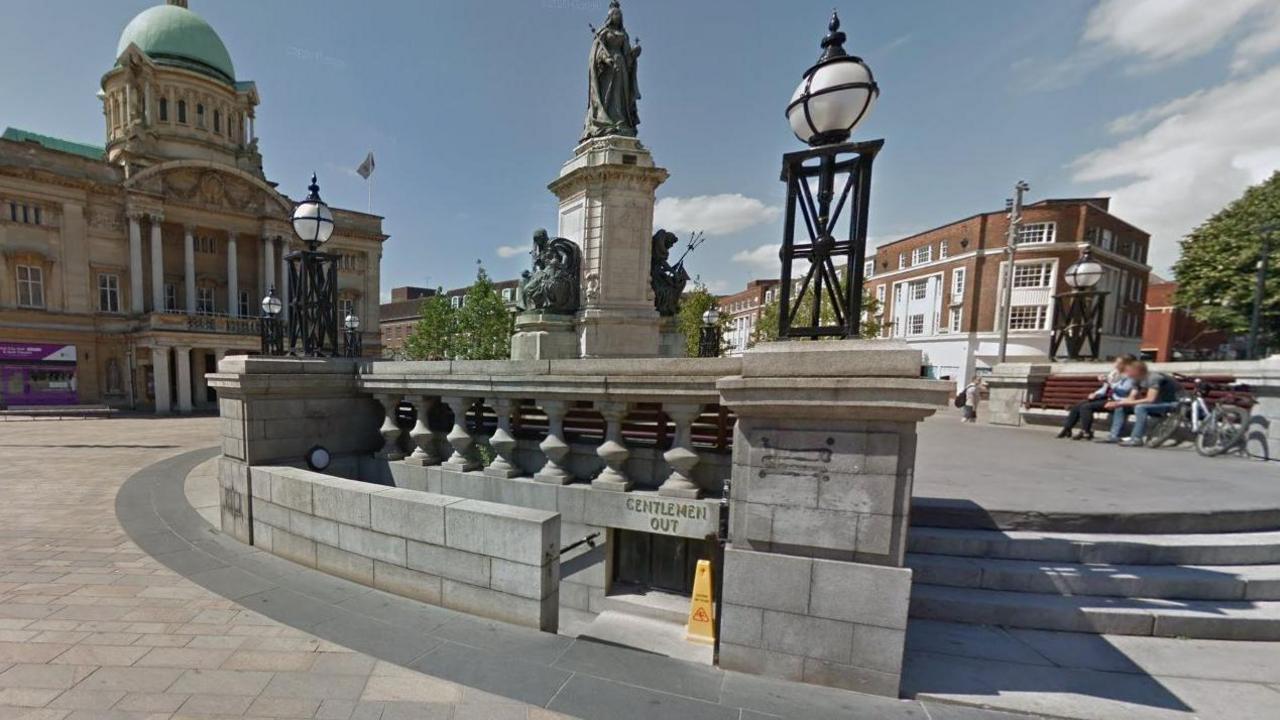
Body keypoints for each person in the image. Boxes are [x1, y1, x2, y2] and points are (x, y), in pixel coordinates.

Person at [1103, 361, 1182, 447]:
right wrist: (1117, 403)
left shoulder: (1154, 378)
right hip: (1158, 403)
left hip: (1174, 404)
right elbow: (1131, 398)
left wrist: (1120, 403)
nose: (1127, 374)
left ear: (1138, 371)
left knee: (1140, 407)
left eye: (1129, 372)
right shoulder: (1136, 380)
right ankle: (1113, 435)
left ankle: (1136, 439)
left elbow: (1150, 399)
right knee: (1121, 407)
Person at [1057, 355, 1136, 440]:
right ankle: (1067, 428)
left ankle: (1086, 431)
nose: (1115, 364)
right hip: (1108, 398)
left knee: (1086, 407)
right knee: (1079, 405)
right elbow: (1105, 388)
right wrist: (1095, 394)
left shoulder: (1131, 376)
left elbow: (1123, 391)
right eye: (1116, 362)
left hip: (1118, 401)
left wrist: (1108, 382)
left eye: (1118, 363)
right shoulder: (1115, 373)